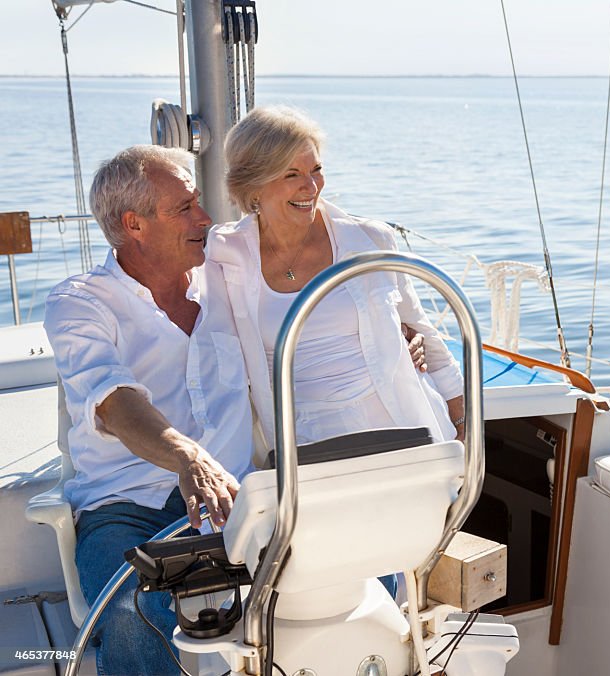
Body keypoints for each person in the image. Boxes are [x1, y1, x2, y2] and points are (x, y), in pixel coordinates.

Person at [44, 145, 253, 675]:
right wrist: (189, 459)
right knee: (131, 611)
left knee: (355, 569)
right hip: (126, 505)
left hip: (240, 499)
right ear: (133, 224)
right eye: (184, 208)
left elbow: (308, 259)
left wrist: (400, 336)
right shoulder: (80, 303)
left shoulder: (229, 275)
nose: (205, 218)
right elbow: (114, 404)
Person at [207, 106, 465, 465]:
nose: (310, 187)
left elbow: (423, 331)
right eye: (292, 174)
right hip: (304, 446)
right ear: (254, 185)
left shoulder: (369, 239)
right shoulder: (224, 256)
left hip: (401, 428)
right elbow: (218, 368)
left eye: (316, 170)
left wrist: (464, 424)